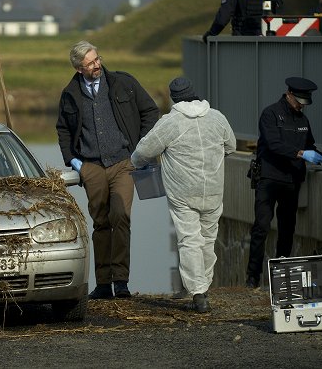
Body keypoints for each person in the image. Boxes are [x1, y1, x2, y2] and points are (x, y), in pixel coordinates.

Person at [56, 40, 159, 299]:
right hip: (91, 167)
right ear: (80, 68)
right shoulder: (70, 93)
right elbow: (63, 130)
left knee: (121, 216)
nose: (97, 64)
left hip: (124, 163)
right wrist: (74, 162)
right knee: (101, 222)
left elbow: (150, 111)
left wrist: (141, 149)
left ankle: (121, 281)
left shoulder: (123, 83)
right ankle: (103, 284)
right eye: (90, 63)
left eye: (97, 58)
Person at [130, 78, 236, 313]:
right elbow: (232, 146)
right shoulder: (217, 117)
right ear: (195, 94)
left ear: (174, 99)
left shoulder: (170, 122)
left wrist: (135, 163)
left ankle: (198, 292)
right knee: (208, 239)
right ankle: (205, 286)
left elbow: (143, 152)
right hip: (213, 190)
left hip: (183, 192)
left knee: (189, 239)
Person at [245, 77, 322, 288]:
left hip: (292, 181)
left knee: (287, 229)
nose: (301, 107)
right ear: (289, 94)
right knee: (261, 227)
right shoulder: (270, 114)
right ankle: (253, 277)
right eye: (299, 102)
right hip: (269, 179)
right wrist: (301, 153)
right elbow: (273, 144)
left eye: (305, 103)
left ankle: (282, 274)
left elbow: (310, 145)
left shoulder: (303, 121)